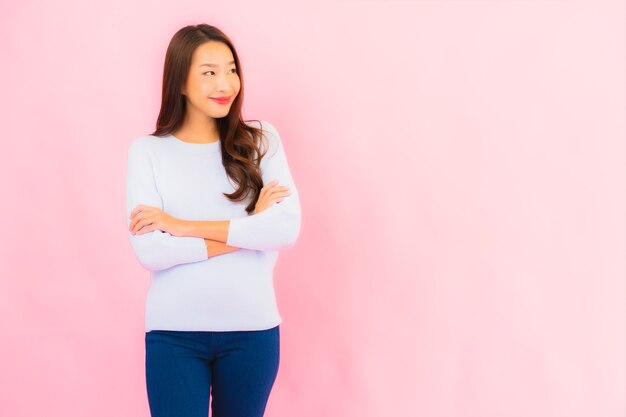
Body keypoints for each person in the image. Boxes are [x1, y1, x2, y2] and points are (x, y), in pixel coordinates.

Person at [124, 23, 301, 417]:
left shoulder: (261, 140)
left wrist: (182, 225)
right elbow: (151, 251)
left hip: (252, 332)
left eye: (231, 69)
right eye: (209, 72)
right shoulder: (148, 152)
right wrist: (252, 225)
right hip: (174, 335)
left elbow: (284, 228)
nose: (226, 82)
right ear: (180, 82)